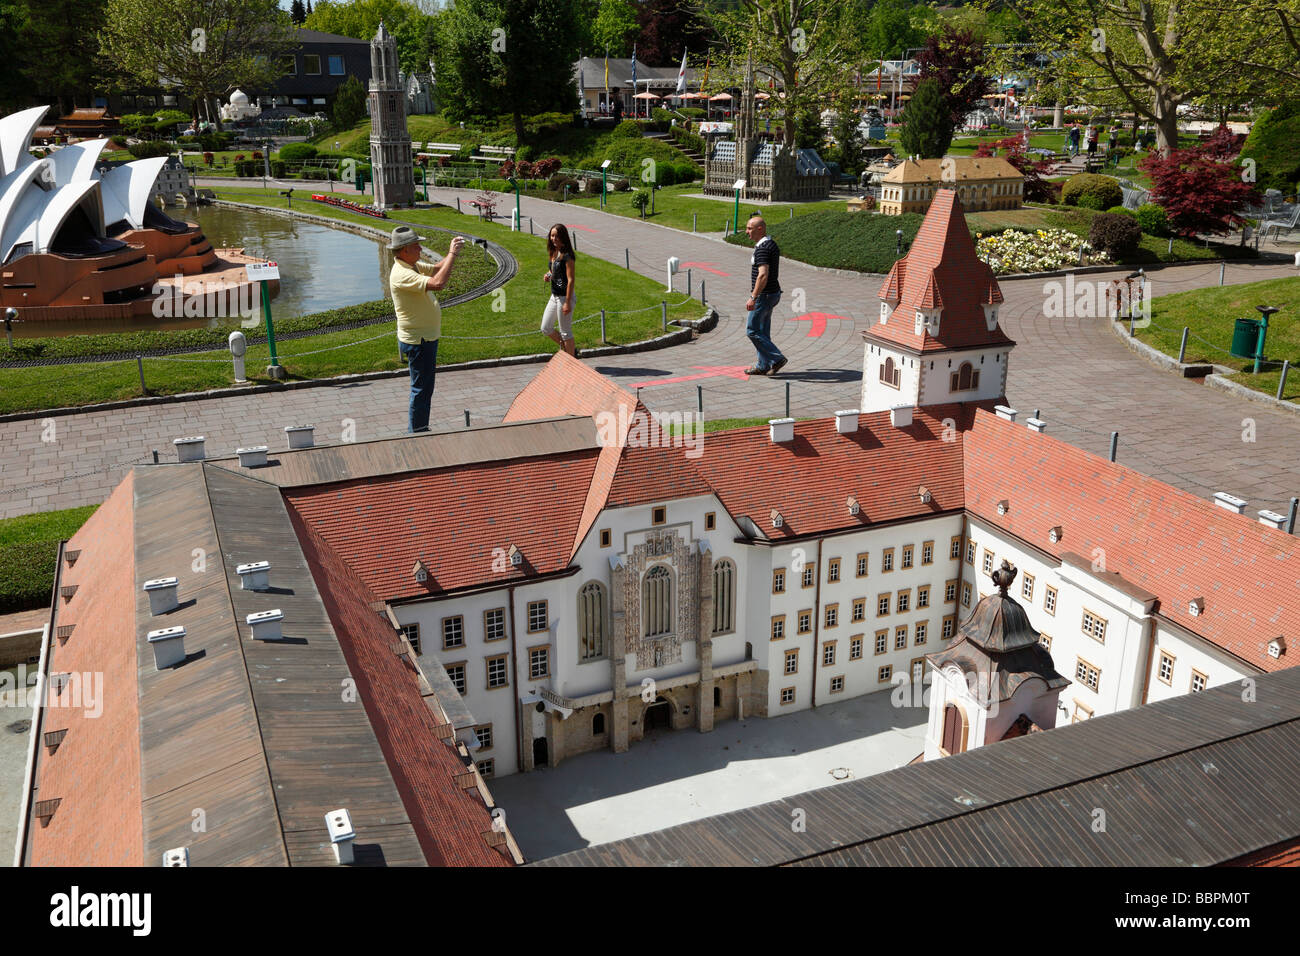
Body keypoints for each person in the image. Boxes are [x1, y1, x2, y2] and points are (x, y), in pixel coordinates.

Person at [388, 225, 464, 433]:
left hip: (424, 338)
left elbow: (436, 269)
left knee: (424, 388)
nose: (420, 249)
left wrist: (451, 257)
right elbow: (438, 283)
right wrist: (451, 253)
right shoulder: (402, 274)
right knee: (421, 389)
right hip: (419, 340)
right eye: (416, 246)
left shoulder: (412, 265)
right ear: (404, 250)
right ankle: (418, 433)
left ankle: (419, 429)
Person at [743, 213, 787, 376]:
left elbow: (763, 274)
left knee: (752, 331)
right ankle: (763, 365)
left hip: (764, 296)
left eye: (749, 228)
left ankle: (777, 358)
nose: (746, 231)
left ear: (760, 229)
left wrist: (753, 297)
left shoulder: (762, 249)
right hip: (773, 294)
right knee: (762, 331)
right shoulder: (771, 244)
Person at [541, 223, 577, 357]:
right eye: (552, 235)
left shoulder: (568, 256)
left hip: (565, 297)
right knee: (545, 328)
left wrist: (567, 302)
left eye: (556, 236)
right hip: (554, 296)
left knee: (566, 332)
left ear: (563, 237)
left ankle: (571, 359)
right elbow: (553, 269)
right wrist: (548, 275)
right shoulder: (554, 252)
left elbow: (571, 279)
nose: (553, 239)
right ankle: (570, 351)